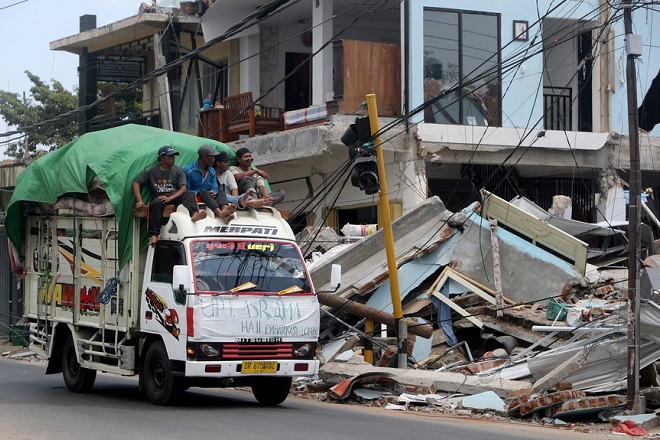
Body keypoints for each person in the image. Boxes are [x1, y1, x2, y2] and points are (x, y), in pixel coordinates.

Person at [133, 145, 204, 245]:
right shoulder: (152, 170)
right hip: (160, 197)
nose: (172, 158)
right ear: (161, 158)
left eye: (173, 156)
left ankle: (194, 214)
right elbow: (136, 183)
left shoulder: (178, 170)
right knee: (155, 204)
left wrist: (170, 198)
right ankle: (154, 235)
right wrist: (139, 200)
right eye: (169, 156)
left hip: (174, 196)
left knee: (189, 194)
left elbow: (183, 188)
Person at [184, 144, 247, 223]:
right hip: (196, 197)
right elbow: (186, 190)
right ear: (204, 157)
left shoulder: (212, 171)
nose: (214, 159)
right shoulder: (188, 170)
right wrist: (202, 193)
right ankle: (220, 213)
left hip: (209, 197)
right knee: (203, 192)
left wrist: (213, 192)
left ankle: (225, 211)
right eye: (212, 157)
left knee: (221, 192)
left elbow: (214, 187)